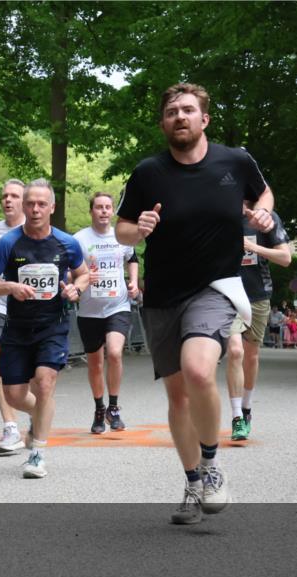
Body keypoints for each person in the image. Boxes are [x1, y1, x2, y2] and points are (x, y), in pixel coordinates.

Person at [115, 82, 275, 524]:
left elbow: (264, 193)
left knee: (199, 369)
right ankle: (191, 483)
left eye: (188, 110)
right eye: (171, 112)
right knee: (178, 396)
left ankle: (210, 465)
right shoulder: (148, 173)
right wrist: (140, 227)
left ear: (204, 119)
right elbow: (121, 231)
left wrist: (262, 212)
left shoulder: (235, 161)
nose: (180, 117)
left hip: (217, 286)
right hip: (164, 294)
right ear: (164, 123)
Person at [0, 178, 89, 478]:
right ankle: (38, 414)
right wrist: (10, 286)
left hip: (52, 326)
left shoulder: (67, 243)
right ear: (24, 206)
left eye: (42, 203)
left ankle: (38, 453)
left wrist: (75, 290)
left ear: (52, 207)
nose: (35, 209)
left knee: (44, 383)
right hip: (17, 327)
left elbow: (82, 275)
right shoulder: (8, 242)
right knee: (14, 395)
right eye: (30, 203)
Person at [73, 192, 140, 433]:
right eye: (99, 207)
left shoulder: (122, 236)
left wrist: (133, 282)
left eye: (107, 207)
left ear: (112, 211)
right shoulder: (79, 239)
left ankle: (113, 407)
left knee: (114, 353)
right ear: (91, 211)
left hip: (118, 305)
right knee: (95, 364)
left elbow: (133, 258)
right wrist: (76, 284)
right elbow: (71, 270)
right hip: (89, 310)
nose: (103, 211)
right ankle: (99, 408)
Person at [225, 205, 291, 441]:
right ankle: (236, 417)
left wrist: (253, 248)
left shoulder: (266, 217)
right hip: (227, 293)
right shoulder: (218, 212)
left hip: (257, 296)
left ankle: (246, 408)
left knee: (251, 356)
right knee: (235, 352)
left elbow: (285, 258)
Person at [0, 179, 26, 454]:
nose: (8, 200)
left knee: (32, 369)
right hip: (1, 306)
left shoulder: (35, 229)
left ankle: (37, 414)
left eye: (14, 196)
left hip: (32, 309)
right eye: (4, 196)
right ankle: (10, 427)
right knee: (0, 363)